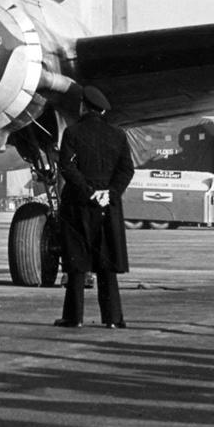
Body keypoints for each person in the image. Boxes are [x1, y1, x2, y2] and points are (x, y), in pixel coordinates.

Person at [55, 86, 135, 329]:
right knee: (106, 262)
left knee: (76, 262)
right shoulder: (118, 135)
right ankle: (112, 318)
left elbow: (68, 168)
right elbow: (127, 170)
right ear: (101, 110)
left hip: (79, 204)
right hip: (107, 206)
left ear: (83, 106)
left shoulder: (72, 132)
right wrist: (108, 194)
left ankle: (74, 317)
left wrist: (89, 193)